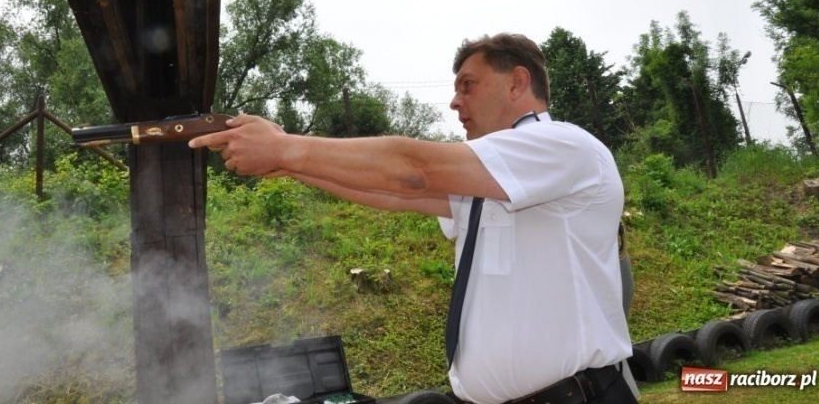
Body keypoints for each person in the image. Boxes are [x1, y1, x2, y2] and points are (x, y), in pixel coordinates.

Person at [189, 33, 637, 404]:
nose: (455, 103)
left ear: (518, 82)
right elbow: (391, 193)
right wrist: (288, 163)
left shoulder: (561, 146)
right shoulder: (495, 179)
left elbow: (414, 173)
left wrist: (286, 147)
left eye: (468, 85)